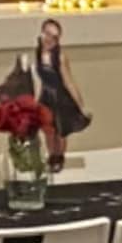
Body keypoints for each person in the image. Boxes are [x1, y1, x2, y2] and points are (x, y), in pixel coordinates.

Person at [30, 16, 89, 171]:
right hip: (46, 97)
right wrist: (35, 101)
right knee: (48, 130)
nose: (49, 39)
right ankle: (52, 156)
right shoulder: (38, 54)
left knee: (60, 130)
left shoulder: (60, 57)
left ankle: (60, 156)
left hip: (59, 97)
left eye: (54, 37)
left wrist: (79, 103)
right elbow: (39, 80)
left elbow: (68, 81)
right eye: (47, 34)